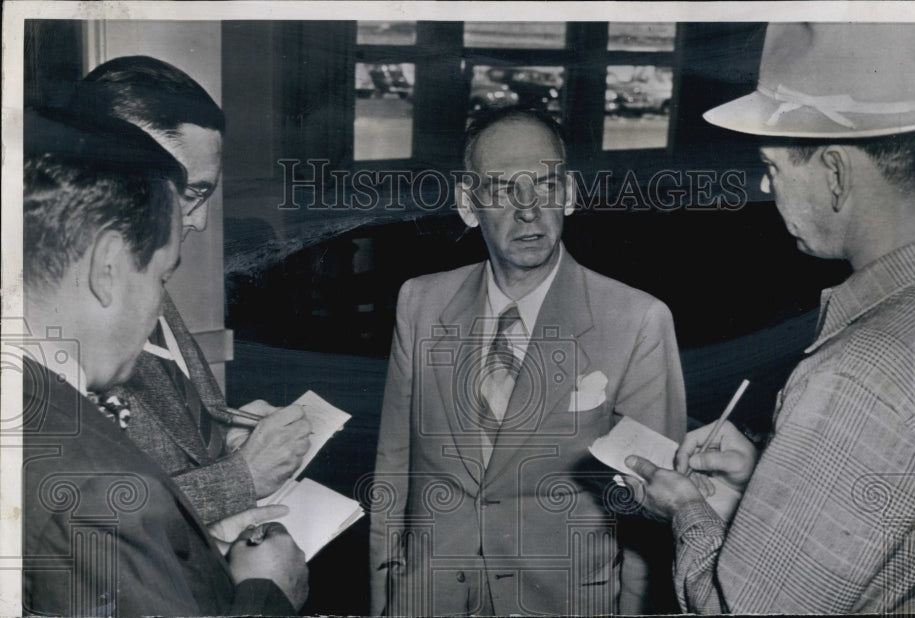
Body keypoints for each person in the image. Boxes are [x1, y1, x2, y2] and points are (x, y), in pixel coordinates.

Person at [624, 23, 915, 613]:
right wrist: (771, 481)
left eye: (774, 167)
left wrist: (684, 509)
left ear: (837, 174)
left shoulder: (856, 375)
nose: (767, 186)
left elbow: (732, 608)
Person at [370, 107, 687, 616]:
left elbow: (651, 511)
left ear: (570, 193)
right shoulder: (420, 303)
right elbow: (393, 471)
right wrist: (384, 600)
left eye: (544, 184)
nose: (527, 209)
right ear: (468, 205)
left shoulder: (638, 320)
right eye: (499, 188)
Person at [20, 108, 309, 615]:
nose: (158, 305)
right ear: (106, 269)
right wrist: (267, 593)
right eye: (161, 277)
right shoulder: (93, 490)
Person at [72, 56, 311, 524]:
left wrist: (223, 437)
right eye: (191, 194)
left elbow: (165, 442)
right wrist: (244, 475)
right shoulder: (45, 319)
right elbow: (81, 519)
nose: (199, 221)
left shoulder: (145, 269)